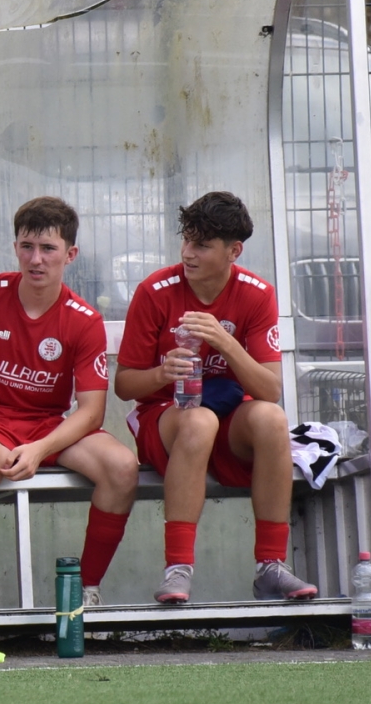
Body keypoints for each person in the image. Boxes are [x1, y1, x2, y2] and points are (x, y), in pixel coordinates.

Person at [0, 197, 140, 607]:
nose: (36, 259)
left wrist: (40, 449)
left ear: (70, 254)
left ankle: (84, 593)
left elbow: (92, 411)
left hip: (48, 425)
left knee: (122, 467)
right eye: (27, 246)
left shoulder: (83, 319)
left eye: (48, 249)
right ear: (15, 248)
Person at [113, 192, 314, 604]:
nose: (188, 253)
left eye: (202, 245)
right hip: (166, 418)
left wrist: (225, 342)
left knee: (272, 419)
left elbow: (271, 390)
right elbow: (125, 386)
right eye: (186, 240)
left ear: (233, 251)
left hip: (227, 418)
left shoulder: (257, 293)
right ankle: (177, 568)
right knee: (198, 420)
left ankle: (271, 565)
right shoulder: (155, 290)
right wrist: (162, 373)